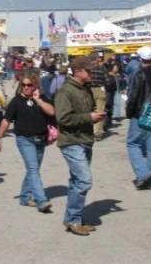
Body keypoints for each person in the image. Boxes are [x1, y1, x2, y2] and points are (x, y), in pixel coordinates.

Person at [55, 55, 106, 236]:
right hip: (71, 141)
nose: (92, 73)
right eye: (89, 70)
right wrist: (89, 117)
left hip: (85, 139)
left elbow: (88, 110)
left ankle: (72, 217)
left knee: (76, 181)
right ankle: (74, 220)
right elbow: (62, 118)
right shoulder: (66, 91)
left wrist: (96, 115)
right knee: (84, 180)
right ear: (78, 72)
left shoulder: (85, 89)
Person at [0, 72, 55, 213]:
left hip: (40, 139)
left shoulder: (41, 98)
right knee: (34, 169)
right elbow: (6, 120)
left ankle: (24, 197)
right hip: (24, 140)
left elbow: (52, 112)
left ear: (35, 85)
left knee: (33, 170)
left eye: (30, 85)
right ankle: (41, 201)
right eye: (24, 85)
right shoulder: (16, 101)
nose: (26, 87)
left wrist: (39, 100)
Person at [125, 46, 151, 189]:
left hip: (140, 112)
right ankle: (150, 179)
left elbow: (133, 95)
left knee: (133, 143)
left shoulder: (138, 74)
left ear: (141, 59)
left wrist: (129, 112)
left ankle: (142, 173)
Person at [88, 54, 108, 141]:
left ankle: (88, 131)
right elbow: (107, 80)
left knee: (88, 111)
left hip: (89, 90)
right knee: (100, 111)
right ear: (96, 59)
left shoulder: (87, 69)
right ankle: (98, 133)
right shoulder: (102, 68)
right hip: (100, 89)